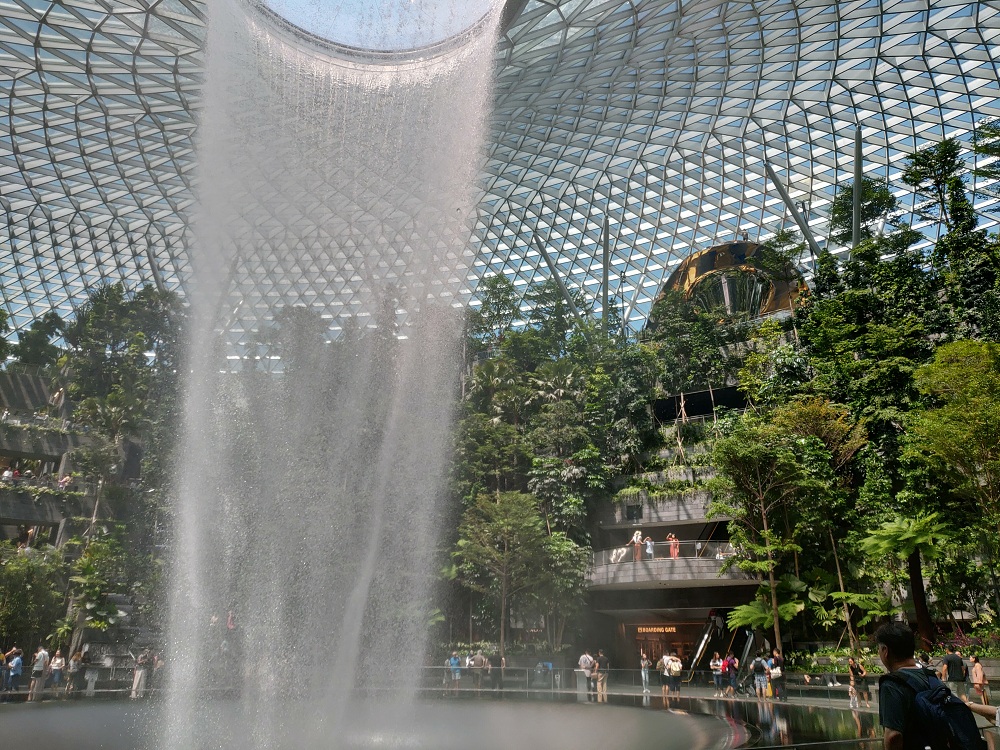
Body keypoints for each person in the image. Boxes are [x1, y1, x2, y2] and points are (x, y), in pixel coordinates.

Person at [875, 622, 985, 750]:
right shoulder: (931, 676)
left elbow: (893, 736)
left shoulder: (892, 684)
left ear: (885, 650)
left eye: (879, 649)